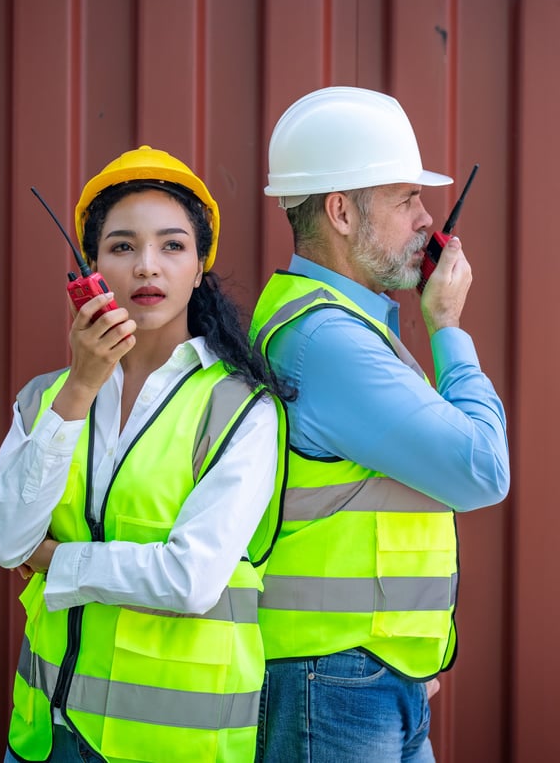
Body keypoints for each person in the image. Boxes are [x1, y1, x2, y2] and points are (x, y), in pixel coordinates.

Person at [0, 145, 290, 763]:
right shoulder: (49, 399)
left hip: (174, 744)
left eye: (172, 246)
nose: (147, 267)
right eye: (122, 247)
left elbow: (190, 579)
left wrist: (54, 560)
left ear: (201, 268)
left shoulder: (242, 408)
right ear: (91, 267)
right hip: (45, 737)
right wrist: (82, 385)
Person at [249, 87, 510, 762]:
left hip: (368, 673)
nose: (428, 220)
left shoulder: (342, 325)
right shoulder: (329, 342)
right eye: (405, 200)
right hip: (334, 681)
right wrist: (448, 328)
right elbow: (482, 469)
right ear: (340, 210)